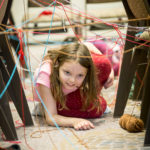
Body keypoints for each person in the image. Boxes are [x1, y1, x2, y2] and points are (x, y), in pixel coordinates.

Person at [33, 42, 114, 130]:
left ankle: (92, 99)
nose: (72, 80)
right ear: (57, 64)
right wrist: (75, 121)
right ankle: (42, 108)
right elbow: (51, 117)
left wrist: (111, 72)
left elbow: (86, 44)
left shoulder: (82, 68)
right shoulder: (45, 74)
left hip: (73, 92)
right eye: (67, 73)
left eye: (80, 75)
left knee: (103, 64)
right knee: (93, 110)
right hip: (52, 99)